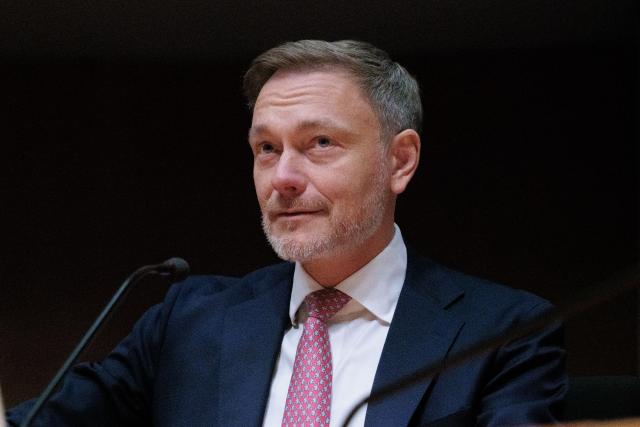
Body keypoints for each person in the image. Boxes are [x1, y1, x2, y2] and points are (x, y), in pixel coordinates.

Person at [7, 40, 567, 426]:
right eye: (266, 149)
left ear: (400, 161)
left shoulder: (504, 332)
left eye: (320, 143)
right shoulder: (190, 321)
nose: (284, 178)